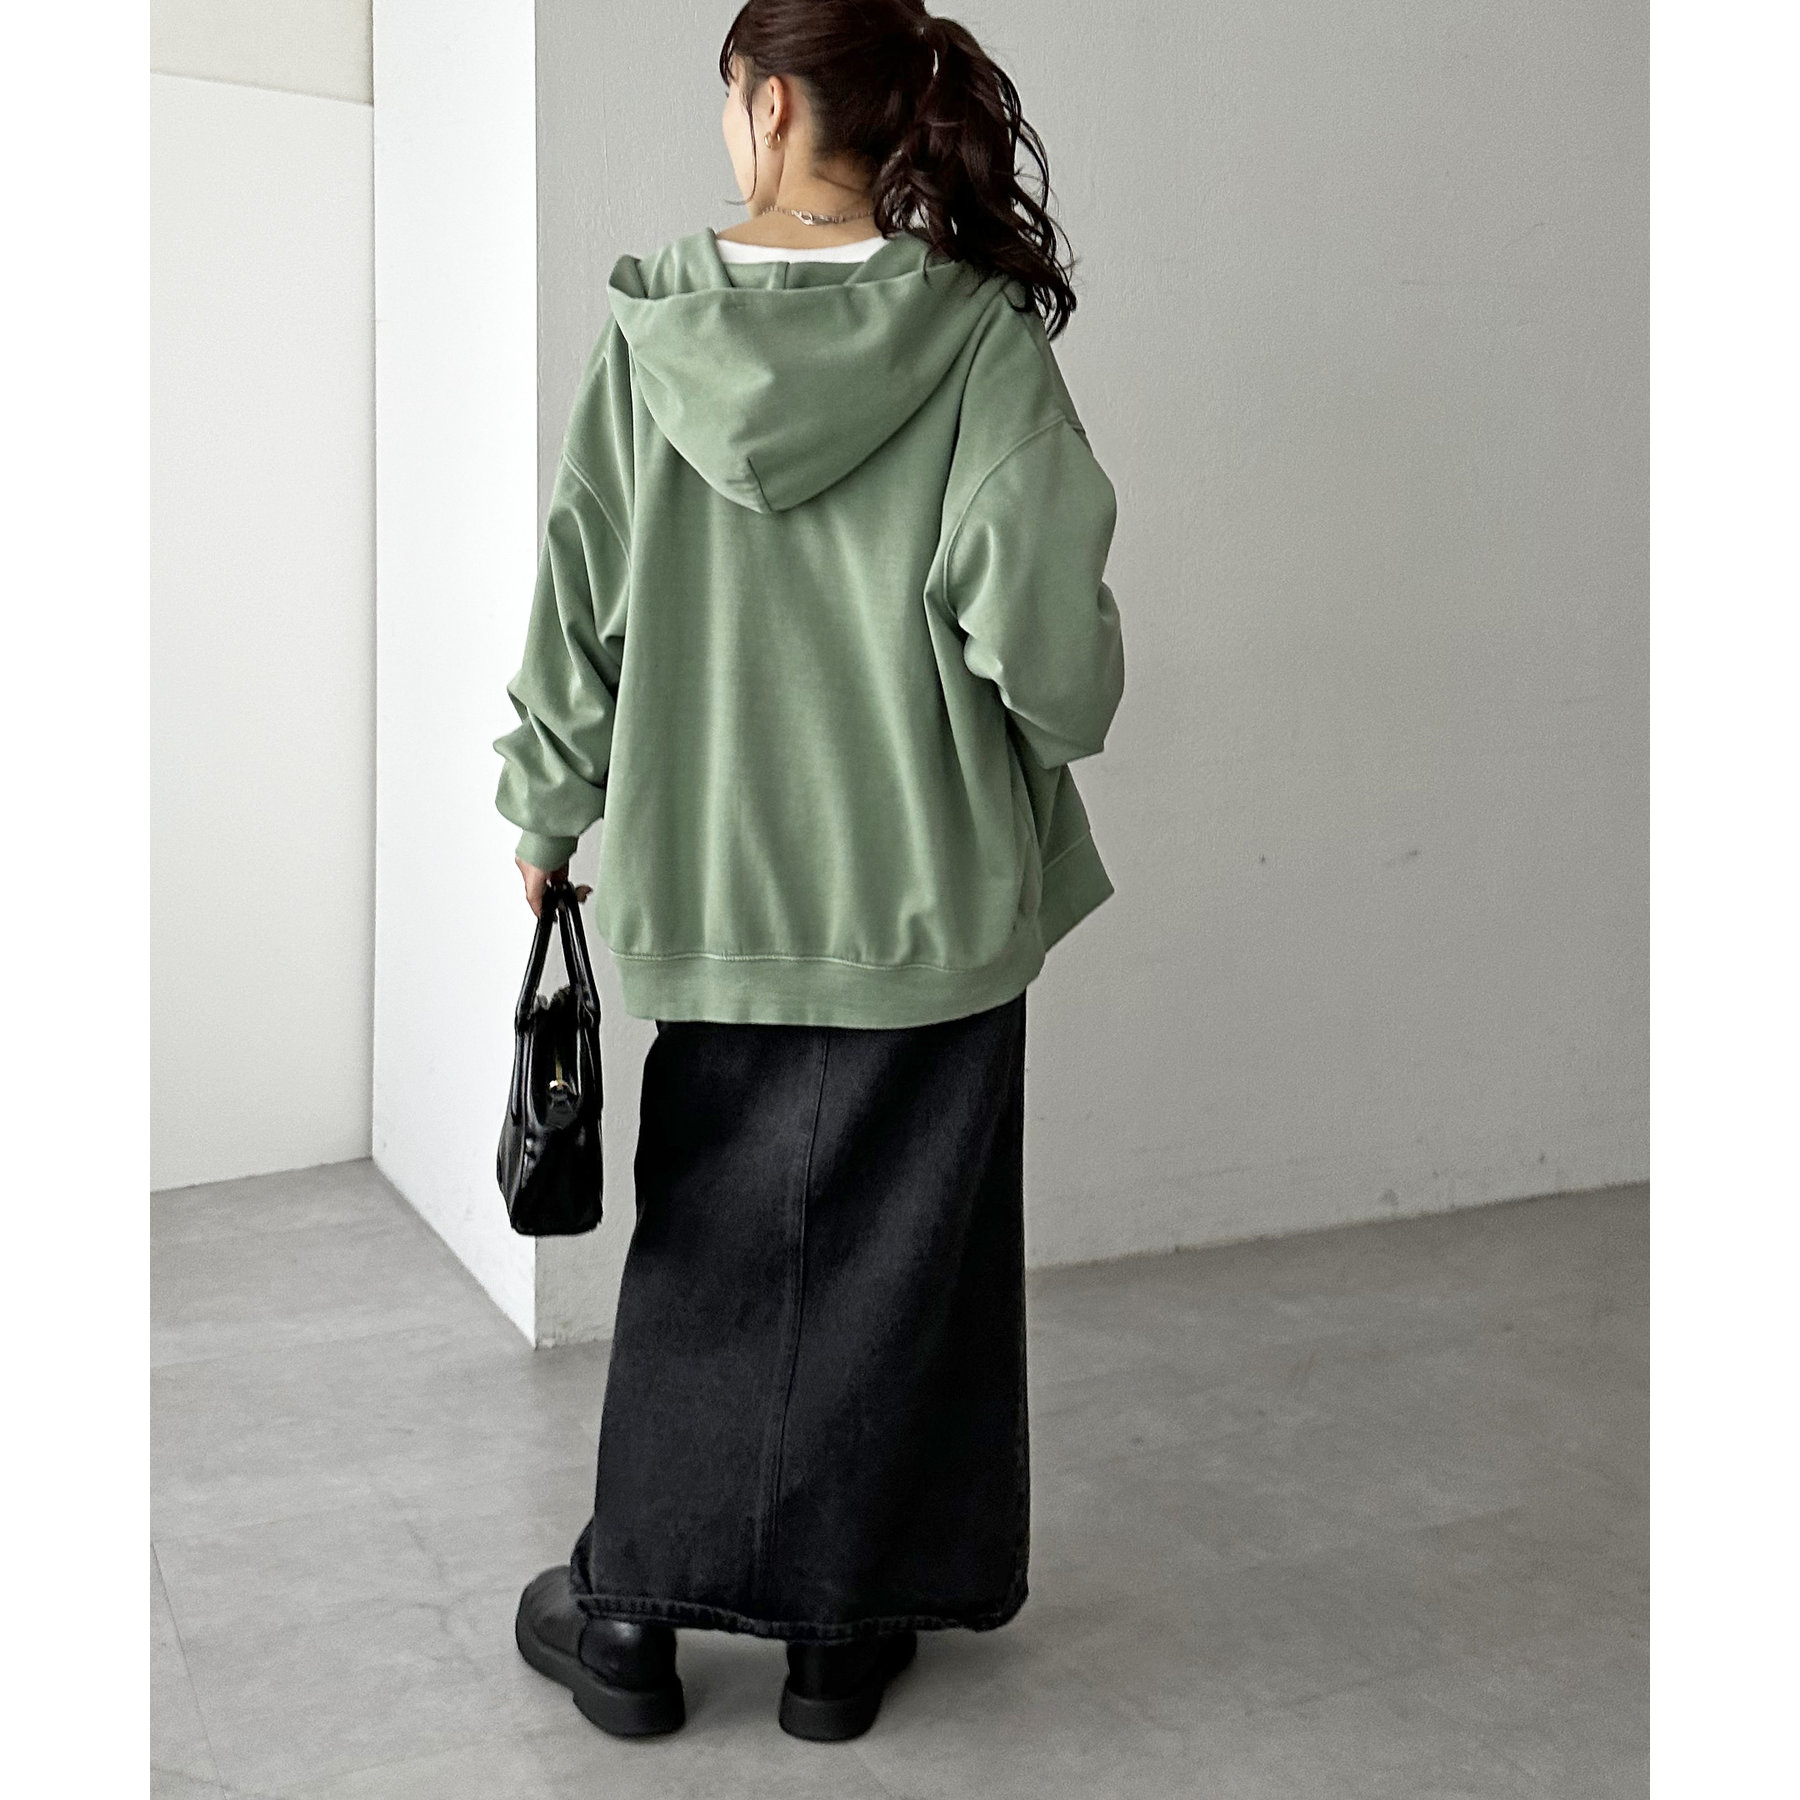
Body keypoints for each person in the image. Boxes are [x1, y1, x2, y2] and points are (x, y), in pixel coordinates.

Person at [495, 0, 1125, 1745]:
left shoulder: (656, 337)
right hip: (930, 901)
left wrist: (546, 816)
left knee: (704, 1255)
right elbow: (1053, 665)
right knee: (901, 1273)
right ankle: (840, 1644)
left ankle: (631, 1622)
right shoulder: (978, 340)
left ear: (770, 104)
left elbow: (582, 600)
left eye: (730, 100)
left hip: (715, 890)